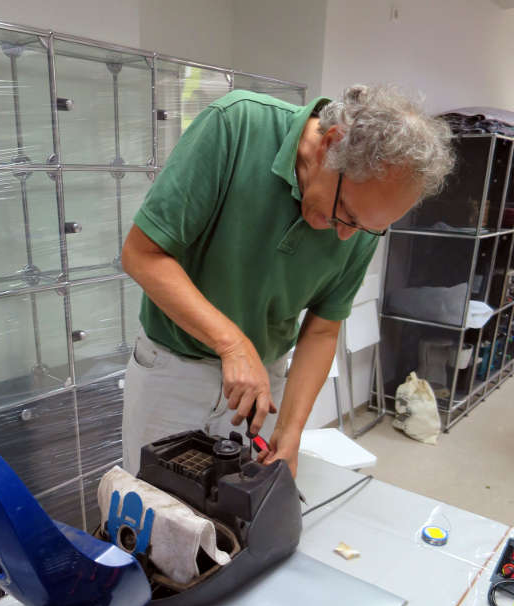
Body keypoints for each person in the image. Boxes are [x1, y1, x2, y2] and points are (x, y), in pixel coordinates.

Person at [121, 84, 454, 477]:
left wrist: (292, 429)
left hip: (262, 385)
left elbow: (323, 329)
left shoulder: (361, 222)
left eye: (366, 228)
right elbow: (142, 254)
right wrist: (231, 343)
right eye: (345, 212)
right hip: (174, 371)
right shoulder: (237, 126)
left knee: (237, 519)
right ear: (330, 143)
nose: (346, 237)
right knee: (154, 514)